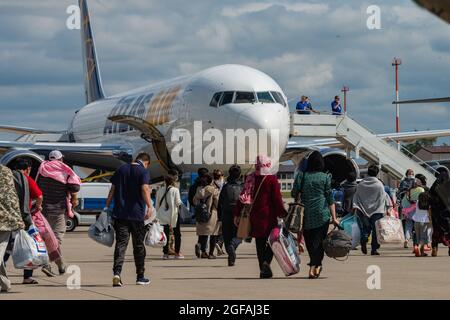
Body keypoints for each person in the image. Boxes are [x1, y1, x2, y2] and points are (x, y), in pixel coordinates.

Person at [234, 155, 287, 279]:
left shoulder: (250, 178)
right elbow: (277, 199)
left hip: (254, 216)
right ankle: (266, 263)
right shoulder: (272, 179)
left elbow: (243, 196)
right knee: (272, 241)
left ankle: (262, 269)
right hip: (269, 216)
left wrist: (237, 213)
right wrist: (282, 212)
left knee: (259, 242)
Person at [105, 152, 153, 287]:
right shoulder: (143, 171)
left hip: (120, 214)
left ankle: (117, 274)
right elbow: (144, 189)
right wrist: (149, 206)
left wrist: (106, 206)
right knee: (138, 246)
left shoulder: (121, 169)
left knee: (121, 245)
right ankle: (140, 276)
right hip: (137, 215)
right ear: (146, 162)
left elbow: (112, 190)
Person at [291, 151, 339, 279]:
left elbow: (293, 193)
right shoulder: (325, 177)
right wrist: (334, 218)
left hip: (305, 214)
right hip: (322, 215)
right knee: (320, 242)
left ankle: (314, 264)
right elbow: (330, 199)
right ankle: (316, 265)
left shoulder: (301, 175)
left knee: (310, 242)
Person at [37, 150, 80, 277]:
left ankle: (61, 265)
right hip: (59, 211)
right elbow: (75, 187)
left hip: (44, 211)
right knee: (56, 239)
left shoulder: (42, 170)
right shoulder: (64, 172)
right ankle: (47, 264)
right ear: (60, 159)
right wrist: (74, 196)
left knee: (47, 239)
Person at [3, 159, 43, 284]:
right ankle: (27, 276)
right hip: (22, 218)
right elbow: (39, 196)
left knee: (6, 248)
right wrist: (38, 207)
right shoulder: (26, 179)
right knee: (28, 247)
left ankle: (2, 274)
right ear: (27, 169)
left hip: (7, 217)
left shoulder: (8, 178)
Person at [0, 165, 28, 293]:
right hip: (6, 219)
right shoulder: (6, 171)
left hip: (4, 221)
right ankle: (5, 284)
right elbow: (13, 198)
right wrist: (19, 218)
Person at [353, 164, 391, 256]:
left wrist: (356, 207)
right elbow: (383, 197)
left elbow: (356, 196)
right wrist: (387, 208)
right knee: (376, 230)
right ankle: (374, 249)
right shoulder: (379, 185)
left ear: (367, 172)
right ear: (377, 173)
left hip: (363, 210)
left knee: (366, 228)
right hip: (377, 210)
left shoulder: (361, 184)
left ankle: (364, 239)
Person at [218, 165, 243, 266]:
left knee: (227, 236)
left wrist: (219, 217)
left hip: (226, 214)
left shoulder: (225, 187)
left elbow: (220, 203)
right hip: (238, 215)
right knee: (238, 236)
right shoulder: (242, 187)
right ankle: (232, 249)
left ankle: (230, 256)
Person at [155, 172, 184, 260]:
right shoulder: (175, 190)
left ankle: (165, 254)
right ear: (173, 181)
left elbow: (157, 205)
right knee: (177, 234)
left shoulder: (160, 190)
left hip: (162, 215)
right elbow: (178, 202)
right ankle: (177, 253)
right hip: (173, 216)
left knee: (165, 234)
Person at [193, 173, 220, 259]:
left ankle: (201, 247)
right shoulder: (213, 190)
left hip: (200, 214)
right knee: (213, 234)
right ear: (211, 181)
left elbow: (194, 201)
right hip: (211, 213)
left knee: (203, 233)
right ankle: (211, 254)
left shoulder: (198, 189)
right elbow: (217, 202)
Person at [429, 167, 450, 257]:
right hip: (447, 214)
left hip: (436, 214)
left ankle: (434, 248)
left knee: (436, 232)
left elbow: (429, 199)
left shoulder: (434, 187)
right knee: (449, 231)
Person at [189, 167, 209, 258]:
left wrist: (195, 207)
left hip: (197, 209)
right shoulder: (207, 185)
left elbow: (190, 198)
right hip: (206, 209)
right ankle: (203, 249)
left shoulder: (194, 186)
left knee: (201, 229)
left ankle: (200, 245)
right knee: (206, 230)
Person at [401, 179, 425, 248]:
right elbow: (423, 198)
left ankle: (406, 239)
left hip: (409, 211)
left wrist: (404, 211)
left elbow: (403, 202)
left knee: (408, 226)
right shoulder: (421, 189)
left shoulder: (409, 191)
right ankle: (417, 243)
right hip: (418, 210)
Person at [412, 192, 432, 257]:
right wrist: (430, 221)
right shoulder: (428, 204)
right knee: (423, 238)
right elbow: (429, 213)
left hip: (416, 221)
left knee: (418, 237)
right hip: (424, 222)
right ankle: (418, 248)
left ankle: (421, 252)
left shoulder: (417, 202)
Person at [213, 169, 225, 256]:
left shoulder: (212, 184)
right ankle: (219, 243)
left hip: (214, 210)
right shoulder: (224, 184)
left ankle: (218, 246)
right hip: (223, 209)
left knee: (215, 229)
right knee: (223, 229)